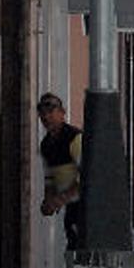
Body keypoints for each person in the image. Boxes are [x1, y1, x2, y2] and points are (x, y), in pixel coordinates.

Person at [37, 93, 85, 251]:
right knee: (72, 241)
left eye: (51, 112)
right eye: (42, 113)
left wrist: (61, 198)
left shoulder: (75, 138)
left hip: (85, 206)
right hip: (70, 205)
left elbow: (85, 177)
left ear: (62, 113)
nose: (46, 117)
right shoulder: (46, 145)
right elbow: (50, 177)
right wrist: (49, 200)